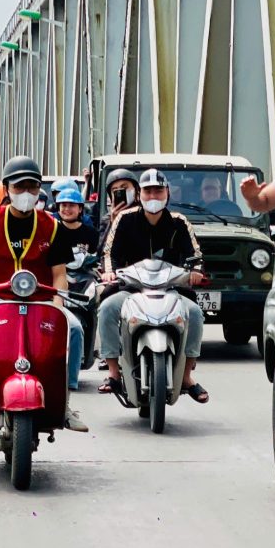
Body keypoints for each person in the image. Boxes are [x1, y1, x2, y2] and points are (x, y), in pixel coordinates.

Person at [0, 156, 88, 432]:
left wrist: (58, 304)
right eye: (19, 187)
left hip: (39, 299)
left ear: (40, 190)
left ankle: (64, 400)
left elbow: (59, 273)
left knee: (73, 329)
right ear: (7, 188)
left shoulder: (51, 226)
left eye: (32, 187)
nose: (26, 193)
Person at [97, 168, 210, 403]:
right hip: (130, 287)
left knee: (195, 314)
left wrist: (196, 272)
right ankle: (113, 373)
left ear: (167, 193)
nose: (153, 196)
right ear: (139, 195)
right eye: (148, 191)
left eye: (158, 190)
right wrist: (109, 273)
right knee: (107, 308)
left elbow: (195, 255)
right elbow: (110, 252)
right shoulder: (124, 219)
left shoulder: (179, 222)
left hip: (171, 288)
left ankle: (187, 377)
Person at [97, 168, 140, 248]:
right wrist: (113, 223)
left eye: (124, 187)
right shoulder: (107, 219)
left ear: (135, 190)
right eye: (115, 190)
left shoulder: (145, 214)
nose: (120, 191)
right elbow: (101, 251)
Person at [55, 187, 99, 253]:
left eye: (71, 205)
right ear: (59, 209)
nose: (67, 209)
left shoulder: (91, 233)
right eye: (64, 205)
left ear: (80, 209)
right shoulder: (52, 231)